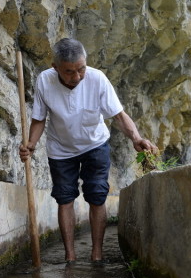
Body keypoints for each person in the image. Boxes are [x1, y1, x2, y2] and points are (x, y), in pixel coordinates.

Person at [19, 37, 158, 262]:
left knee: (97, 195)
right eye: (69, 72)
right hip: (61, 149)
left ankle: (97, 254)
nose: (76, 77)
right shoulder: (45, 81)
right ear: (55, 68)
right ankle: (70, 257)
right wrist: (31, 144)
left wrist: (136, 138)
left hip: (95, 144)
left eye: (81, 69)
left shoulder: (97, 79)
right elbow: (39, 119)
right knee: (64, 198)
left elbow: (118, 115)